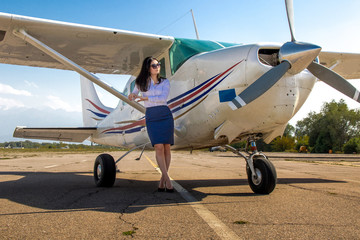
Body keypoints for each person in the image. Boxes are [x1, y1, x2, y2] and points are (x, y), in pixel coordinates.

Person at [128, 56, 175, 192]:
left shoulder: (165, 82)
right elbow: (133, 95)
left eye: (158, 65)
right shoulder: (140, 82)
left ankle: (162, 182)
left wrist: (145, 98)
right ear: (148, 68)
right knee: (158, 146)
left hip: (165, 114)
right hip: (152, 116)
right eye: (154, 65)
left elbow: (162, 99)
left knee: (167, 147)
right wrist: (131, 96)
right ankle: (168, 181)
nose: (157, 67)